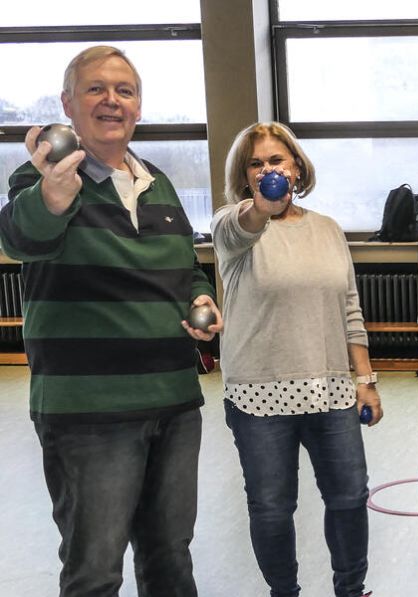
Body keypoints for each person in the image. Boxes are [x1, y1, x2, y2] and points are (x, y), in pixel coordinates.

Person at [0, 45, 221, 596]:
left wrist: (204, 299)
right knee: (95, 573)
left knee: (170, 559)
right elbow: (21, 237)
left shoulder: (159, 183)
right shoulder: (43, 176)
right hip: (90, 414)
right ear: (68, 104)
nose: (111, 100)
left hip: (173, 403)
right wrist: (54, 194)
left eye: (125, 91)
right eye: (96, 88)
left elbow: (186, 268)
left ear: (139, 108)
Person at [212, 122, 381, 597]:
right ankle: (284, 593)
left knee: (349, 498)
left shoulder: (327, 230)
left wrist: (365, 379)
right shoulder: (232, 226)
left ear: (297, 167)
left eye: (278, 160)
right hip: (258, 396)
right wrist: (261, 208)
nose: (270, 170)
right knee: (271, 507)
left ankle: (351, 589)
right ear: (245, 176)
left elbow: (350, 307)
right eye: (257, 163)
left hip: (329, 391)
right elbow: (243, 224)